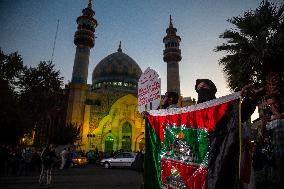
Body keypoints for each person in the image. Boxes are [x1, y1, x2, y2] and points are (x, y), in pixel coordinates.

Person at [195, 79, 265, 122]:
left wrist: (250, 98)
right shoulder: (193, 114)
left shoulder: (223, 107)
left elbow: (240, 116)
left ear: (211, 89)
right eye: (199, 89)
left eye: (204, 86)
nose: (201, 90)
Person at [265, 93, 284, 189]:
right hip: (277, 157)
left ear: (280, 102)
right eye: (270, 105)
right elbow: (268, 139)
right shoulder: (269, 121)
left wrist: (278, 116)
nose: (273, 107)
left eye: (274, 103)